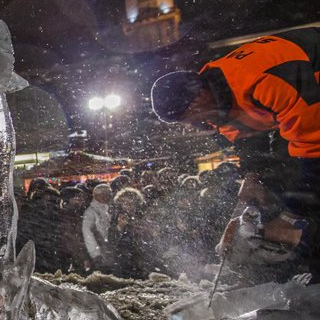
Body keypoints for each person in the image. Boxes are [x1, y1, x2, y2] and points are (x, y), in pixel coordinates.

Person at [151, 28, 319, 283]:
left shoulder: (262, 81)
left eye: (190, 117)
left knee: (306, 198)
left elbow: (314, 145)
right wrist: (251, 187)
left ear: (199, 97)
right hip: (304, 106)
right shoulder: (219, 103)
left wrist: (290, 219)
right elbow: (257, 148)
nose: (192, 126)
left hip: (310, 91)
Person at [82, 183, 112, 271]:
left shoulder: (108, 208)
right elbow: (87, 231)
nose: (106, 196)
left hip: (108, 249)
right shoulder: (90, 212)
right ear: (95, 195)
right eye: (103, 194)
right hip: (99, 251)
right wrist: (95, 253)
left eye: (108, 194)